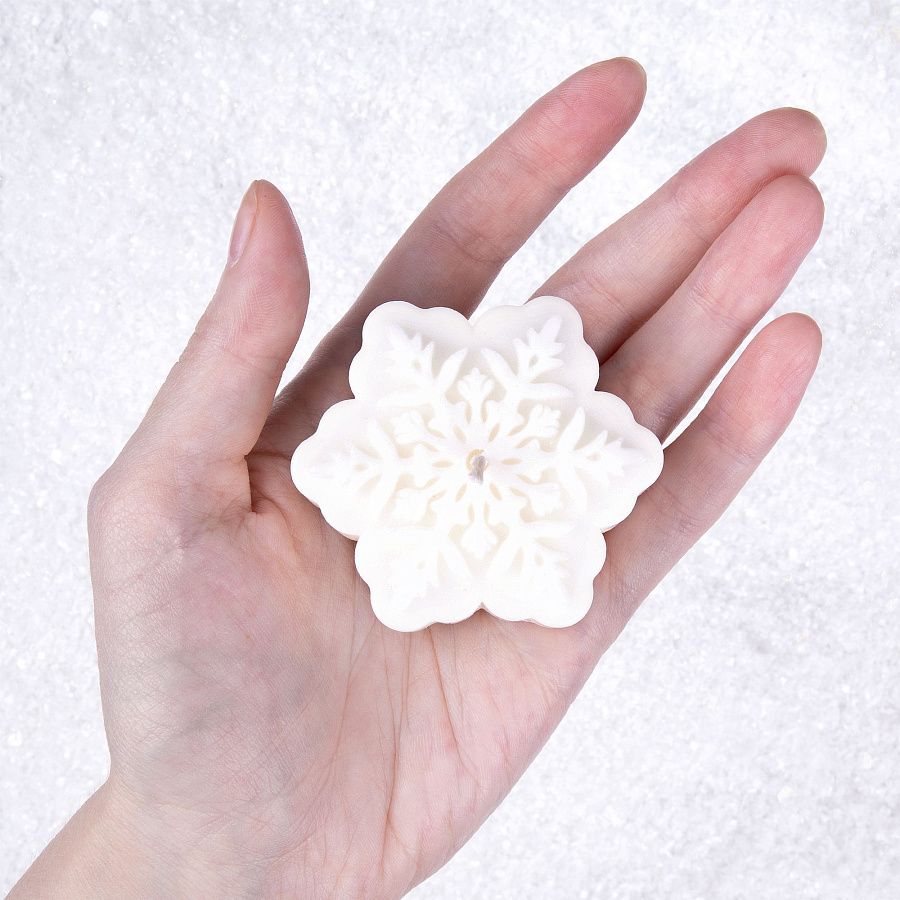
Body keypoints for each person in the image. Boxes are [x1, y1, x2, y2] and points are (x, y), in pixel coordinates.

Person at [10, 58, 825, 898]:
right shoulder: (377, 455)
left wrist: (186, 858)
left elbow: (582, 463)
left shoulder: (556, 460)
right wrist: (190, 852)